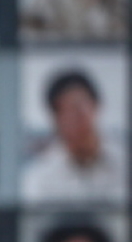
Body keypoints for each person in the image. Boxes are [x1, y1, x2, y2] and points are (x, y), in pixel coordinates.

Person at [22, 69, 127, 203]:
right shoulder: (40, 178)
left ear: (96, 106)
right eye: (63, 111)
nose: (72, 119)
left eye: (77, 108)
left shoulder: (123, 163)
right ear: (54, 119)